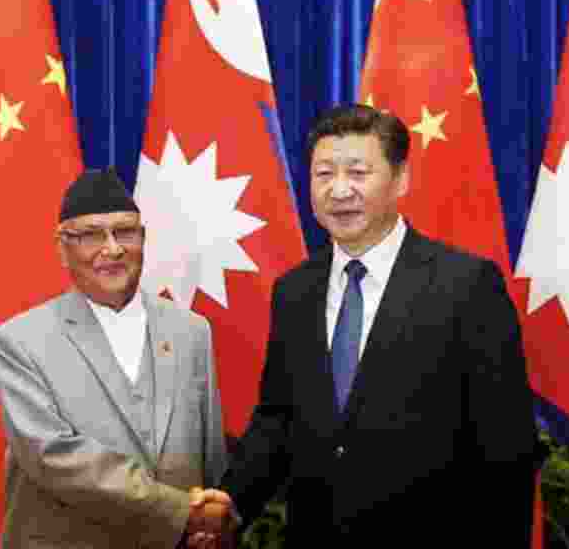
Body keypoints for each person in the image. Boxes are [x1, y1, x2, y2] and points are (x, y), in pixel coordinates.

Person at [191, 104, 537, 546]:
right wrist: (233, 503)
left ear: (400, 179)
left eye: (357, 172)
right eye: (323, 174)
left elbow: (506, 447)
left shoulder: (466, 286)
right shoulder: (295, 291)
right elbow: (278, 419)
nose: (339, 191)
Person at [0, 167, 232, 548]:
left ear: (143, 238)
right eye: (90, 235)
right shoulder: (19, 341)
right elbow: (52, 457)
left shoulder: (192, 331)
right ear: (62, 246)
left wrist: (213, 527)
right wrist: (182, 513)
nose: (113, 248)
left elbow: (210, 453)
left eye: (125, 231)